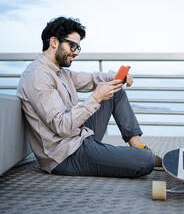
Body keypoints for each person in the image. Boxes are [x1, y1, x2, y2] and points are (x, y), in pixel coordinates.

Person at [17, 16, 162, 177]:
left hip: (79, 137)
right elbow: (62, 127)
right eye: (72, 46)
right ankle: (141, 155)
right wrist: (96, 97)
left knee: (115, 91)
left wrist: (117, 77)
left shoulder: (60, 72)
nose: (76, 53)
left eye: (78, 48)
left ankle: (137, 146)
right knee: (145, 161)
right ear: (54, 42)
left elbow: (91, 79)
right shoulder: (38, 76)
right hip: (65, 156)